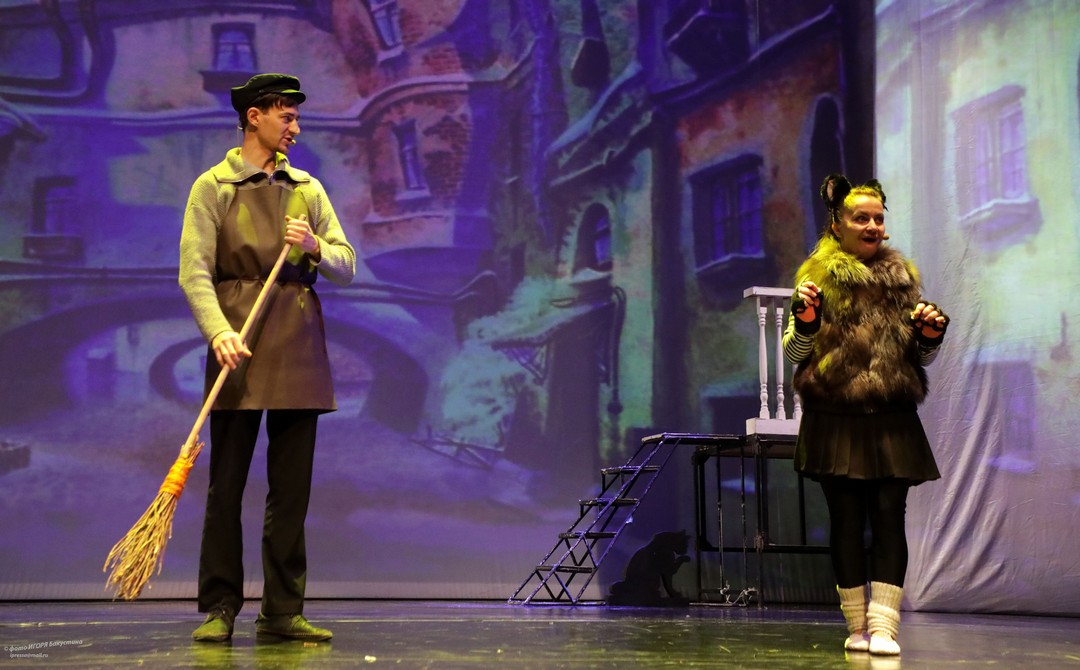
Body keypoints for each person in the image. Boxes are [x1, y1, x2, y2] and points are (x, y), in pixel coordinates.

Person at [179, 73, 356, 642]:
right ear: (255, 116)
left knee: (291, 489)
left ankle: (282, 610)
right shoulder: (214, 186)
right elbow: (194, 272)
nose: (296, 129)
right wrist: (217, 332)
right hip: (238, 343)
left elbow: (347, 264)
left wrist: (315, 246)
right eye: (288, 117)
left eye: (296, 118)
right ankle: (219, 607)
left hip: (297, 342)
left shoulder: (308, 189)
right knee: (226, 485)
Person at [782, 174, 948, 656]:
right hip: (835, 415)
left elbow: (919, 358)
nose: (874, 226)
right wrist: (807, 325)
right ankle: (857, 626)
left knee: (889, 516)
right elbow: (795, 353)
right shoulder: (816, 278)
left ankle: (884, 628)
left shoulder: (902, 280)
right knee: (847, 520)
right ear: (837, 224)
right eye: (862, 218)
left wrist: (930, 336)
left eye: (878, 218)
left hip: (891, 416)